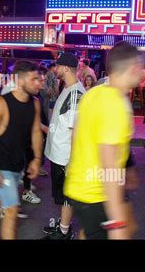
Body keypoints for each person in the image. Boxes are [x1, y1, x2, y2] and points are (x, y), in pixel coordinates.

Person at [64, 42, 145, 240]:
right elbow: (110, 167)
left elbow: (75, 135)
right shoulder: (115, 104)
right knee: (122, 229)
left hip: (79, 188)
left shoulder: (94, 93)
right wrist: (116, 223)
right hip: (96, 194)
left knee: (103, 230)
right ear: (134, 68)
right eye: (142, 67)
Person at [0, 61, 42, 240]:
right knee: (12, 210)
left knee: (1, 199)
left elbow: (36, 131)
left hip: (18, 163)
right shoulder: (0, 104)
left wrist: (37, 159)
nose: (39, 83)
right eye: (34, 79)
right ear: (20, 81)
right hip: (0, 167)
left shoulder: (35, 103)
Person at [42, 53, 86, 240]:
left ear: (66, 69)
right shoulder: (67, 88)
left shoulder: (76, 94)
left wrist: (72, 162)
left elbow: (75, 131)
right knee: (62, 195)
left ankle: (64, 231)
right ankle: (62, 226)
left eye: (58, 66)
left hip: (65, 157)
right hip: (58, 154)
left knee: (67, 195)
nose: (55, 69)